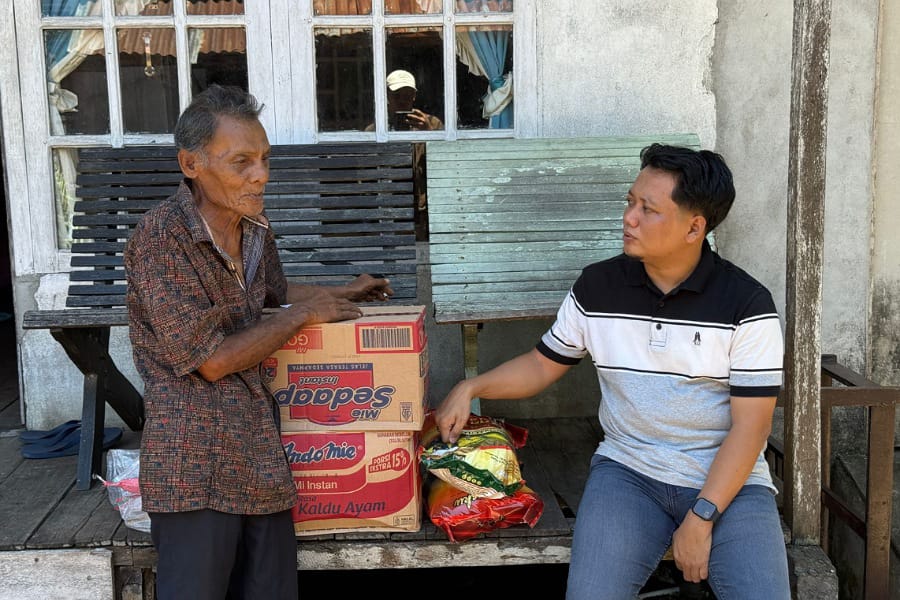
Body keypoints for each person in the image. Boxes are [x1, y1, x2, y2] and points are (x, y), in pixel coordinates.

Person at [434, 144, 791, 599]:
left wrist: (702, 517)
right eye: (630, 201)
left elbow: (751, 428)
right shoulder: (599, 286)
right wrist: (471, 385)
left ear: (695, 227)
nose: (629, 217)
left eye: (649, 209)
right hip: (629, 473)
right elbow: (543, 364)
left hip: (730, 484)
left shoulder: (747, 305)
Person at [124, 84, 392, 600]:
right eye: (242, 161)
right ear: (191, 164)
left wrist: (340, 291)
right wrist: (303, 315)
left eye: (265, 159)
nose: (261, 175)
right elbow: (212, 361)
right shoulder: (160, 239)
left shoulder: (253, 226)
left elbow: (272, 292)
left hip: (258, 454)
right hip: (193, 463)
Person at [366, 69, 443, 132]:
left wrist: (429, 132)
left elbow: (445, 149)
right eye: (396, 95)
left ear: (414, 96)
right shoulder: (376, 130)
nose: (402, 101)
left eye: (407, 96)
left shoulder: (433, 123)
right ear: (387, 96)